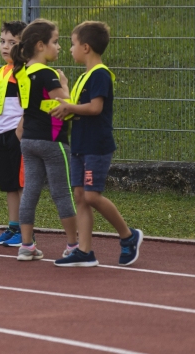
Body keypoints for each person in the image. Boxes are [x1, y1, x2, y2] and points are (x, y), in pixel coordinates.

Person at [51, 21, 142, 267]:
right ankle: (85, 251)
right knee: (80, 196)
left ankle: (128, 235)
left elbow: (95, 107)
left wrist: (69, 106)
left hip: (96, 146)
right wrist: (64, 98)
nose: (70, 49)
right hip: (79, 143)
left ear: (86, 47)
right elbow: (75, 106)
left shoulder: (100, 74)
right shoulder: (84, 76)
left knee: (91, 196)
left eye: (72, 44)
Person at [10, 19, 80, 262]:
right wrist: (64, 84)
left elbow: (24, 104)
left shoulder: (20, 72)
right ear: (40, 45)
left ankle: (26, 245)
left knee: (30, 191)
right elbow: (67, 106)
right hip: (52, 141)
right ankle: (74, 245)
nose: (59, 47)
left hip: (28, 140)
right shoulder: (49, 74)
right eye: (55, 41)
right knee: (61, 193)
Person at [0, 20, 27, 247]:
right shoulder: (2, 72)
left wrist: (18, 134)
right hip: (3, 135)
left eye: (12, 42)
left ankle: (25, 230)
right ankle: (13, 227)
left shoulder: (23, 72)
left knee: (21, 184)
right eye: (2, 41)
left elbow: (27, 106)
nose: (5, 46)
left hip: (17, 136)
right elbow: (0, 103)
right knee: (10, 184)